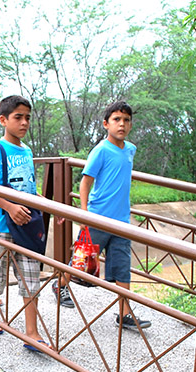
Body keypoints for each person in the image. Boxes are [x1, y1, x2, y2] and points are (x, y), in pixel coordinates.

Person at [54, 100, 152, 331]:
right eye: (117, 120)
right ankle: (60, 285)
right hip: (98, 217)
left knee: (122, 267)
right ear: (106, 124)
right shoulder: (100, 150)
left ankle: (124, 314)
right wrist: (85, 213)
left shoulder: (130, 149)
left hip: (121, 221)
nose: (122, 124)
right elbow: (85, 182)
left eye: (126, 120)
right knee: (81, 261)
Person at [0, 95, 58, 351]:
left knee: (31, 277)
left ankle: (31, 333)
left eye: (27, 118)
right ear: (3, 120)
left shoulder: (27, 151)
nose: (24, 123)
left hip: (25, 226)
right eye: (18, 117)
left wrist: (52, 207)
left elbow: (30, 189)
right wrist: (10, 207)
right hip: (2, 224)